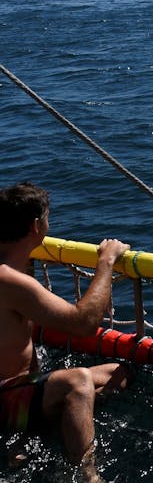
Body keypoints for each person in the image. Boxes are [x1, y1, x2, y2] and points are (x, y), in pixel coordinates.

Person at [0, 182, 131, 483]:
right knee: (78, 382)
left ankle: (32, 432)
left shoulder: (12, 266)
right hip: (7, 399)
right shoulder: (9, 281)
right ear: (37, 225)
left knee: (119, 373)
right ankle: (87, 476)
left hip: (18, 388)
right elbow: (83, 323)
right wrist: (106, 261)